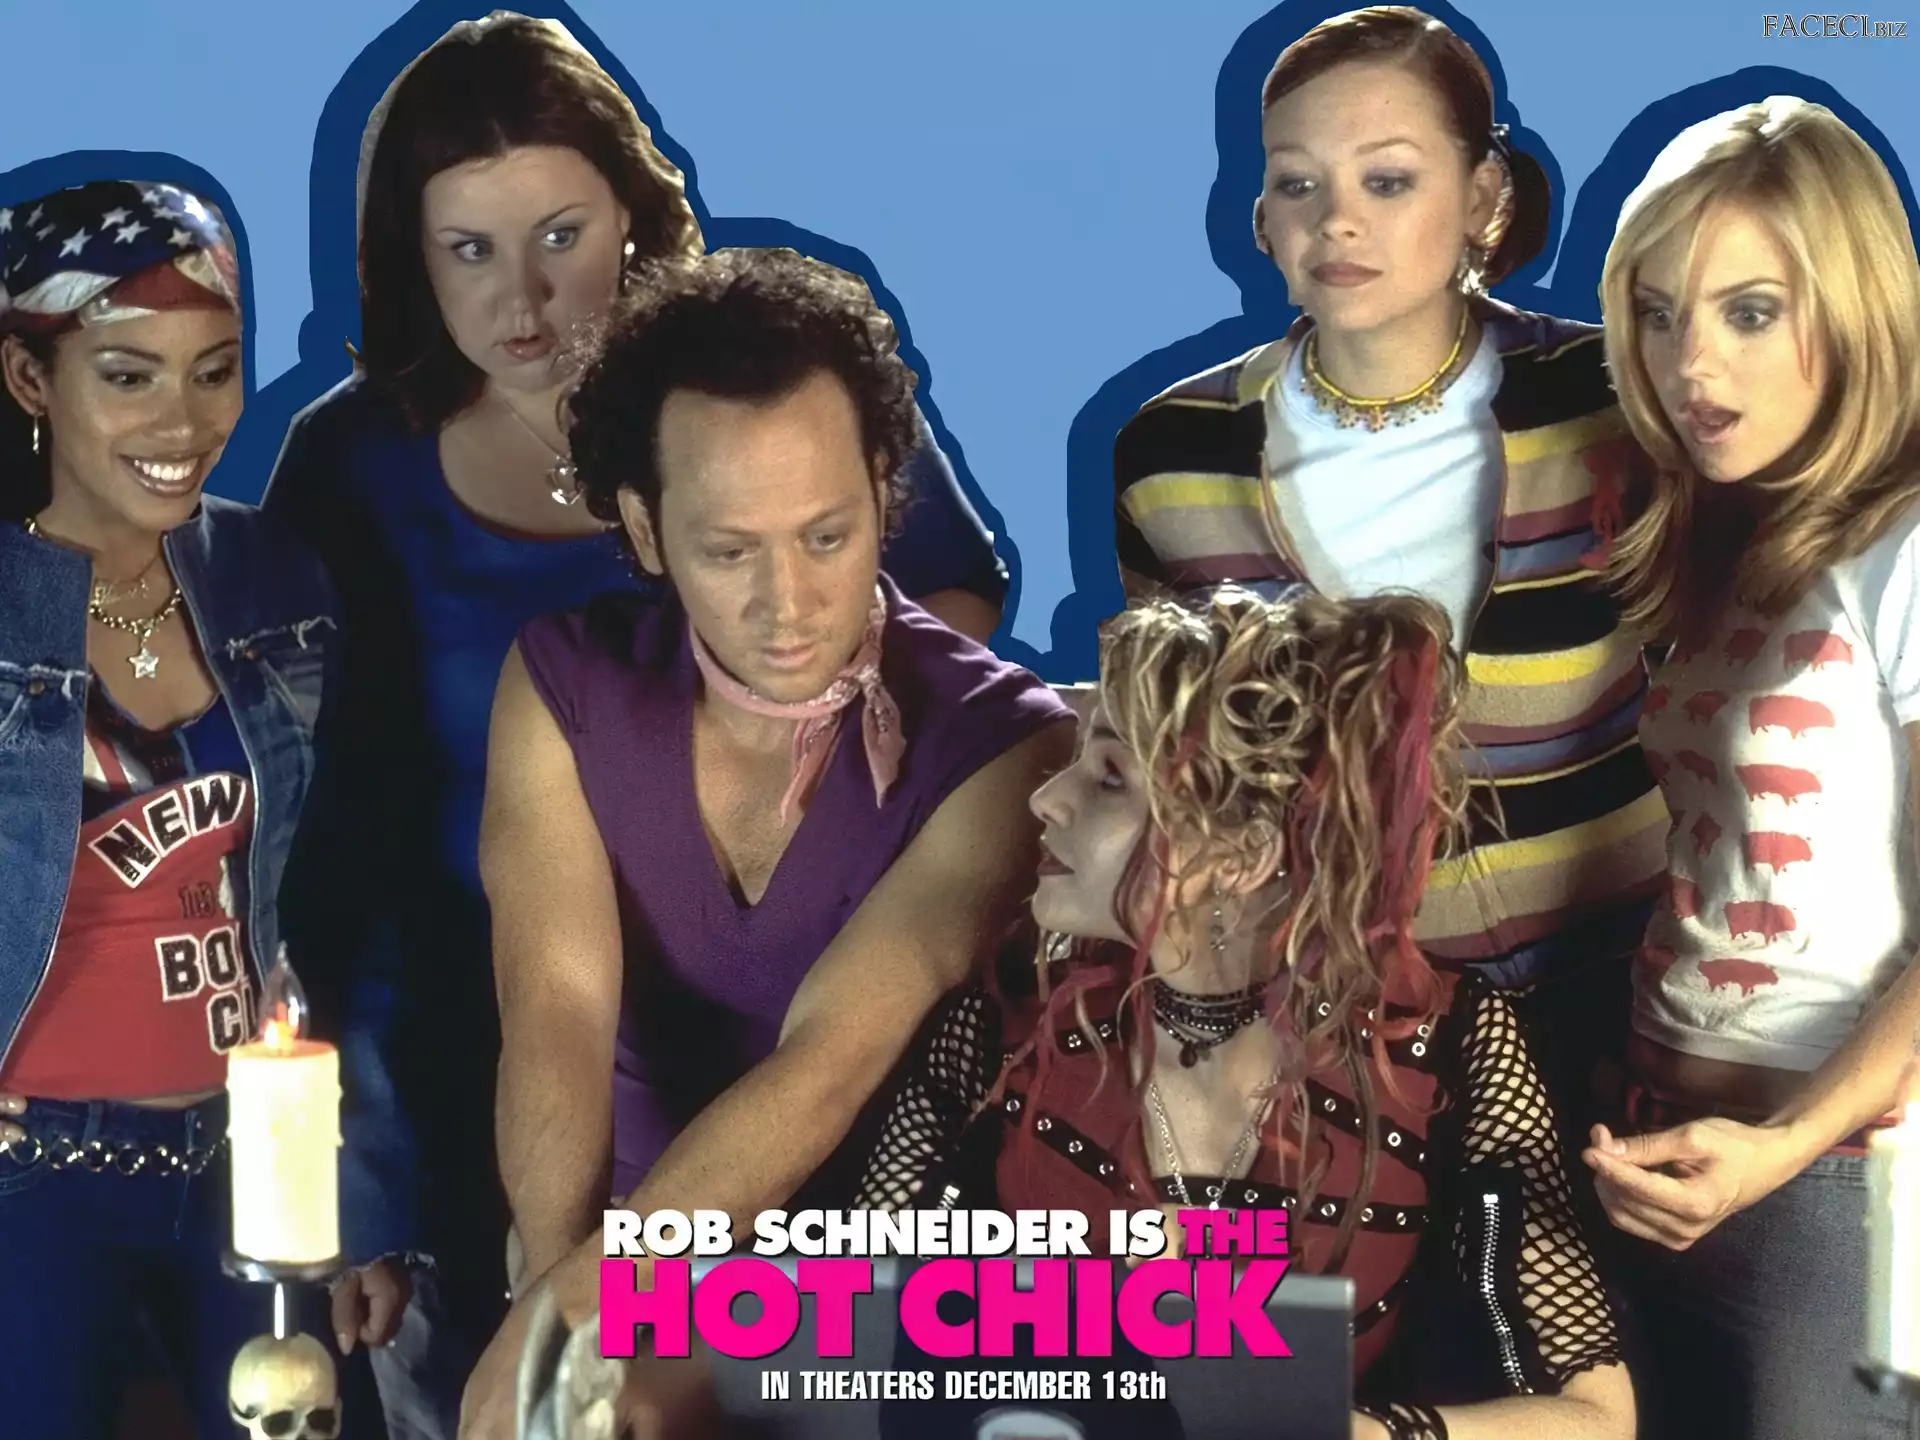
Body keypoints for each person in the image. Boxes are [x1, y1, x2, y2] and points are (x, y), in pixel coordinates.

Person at [259, 14, 1013, 1434]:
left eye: (561, 235)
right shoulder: (368, 480)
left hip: (803, 1020)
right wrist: (369, 1191)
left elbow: (935, 628)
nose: (526, 298)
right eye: (469, 250)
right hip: (462, 1044)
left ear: (633, 217)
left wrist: (779, 802)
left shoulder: (769, 388)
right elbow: (333, 847)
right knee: (498, 1384)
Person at [454, 245, 1074, 1437]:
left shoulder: (1007, 743)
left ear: (884, 495)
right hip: (602, 1250)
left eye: (825, 537)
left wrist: (582, 1309)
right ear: (646, 529)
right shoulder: (562, 682)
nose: (787, 605)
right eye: (730, 550)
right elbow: (556, 1012)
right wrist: (557, 1314)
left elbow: (832, 1057)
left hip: (872, 1300)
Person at [858, 585, 1636, 1439]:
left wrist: (1354, 1434)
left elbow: (1597, 1420)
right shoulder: (1008, 1021)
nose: (1047, 800)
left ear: (1244, 853)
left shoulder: (1447, 1042)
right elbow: (837, 1335)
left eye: (1109, 777)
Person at [1108, 6, 1666, 1136]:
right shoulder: (1171, 454)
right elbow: (1184, 776)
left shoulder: (1615, 399)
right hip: (1344, 1047)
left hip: (1635, 1002)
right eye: (1299, 184)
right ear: (1263, 216)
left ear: (1483, 197)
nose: (1338, 221)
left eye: (1389, 180)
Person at [0, 178, 403, 1439]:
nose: (182, 420)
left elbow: (344, 899)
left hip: (252, 1166)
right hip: (31, 1183)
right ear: (28, 377)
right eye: (129, 376)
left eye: (215, 371)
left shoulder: (274, 574)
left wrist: (360, 1195)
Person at [1576, 96, 1920, 1440]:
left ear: (1857, 308)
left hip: (1829, 1180)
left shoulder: (1909, 547)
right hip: (1656, 1150)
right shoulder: (1722, 530)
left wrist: (1778, 1150)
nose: (1690, 363)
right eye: (1660, 313)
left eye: (1751, 311)